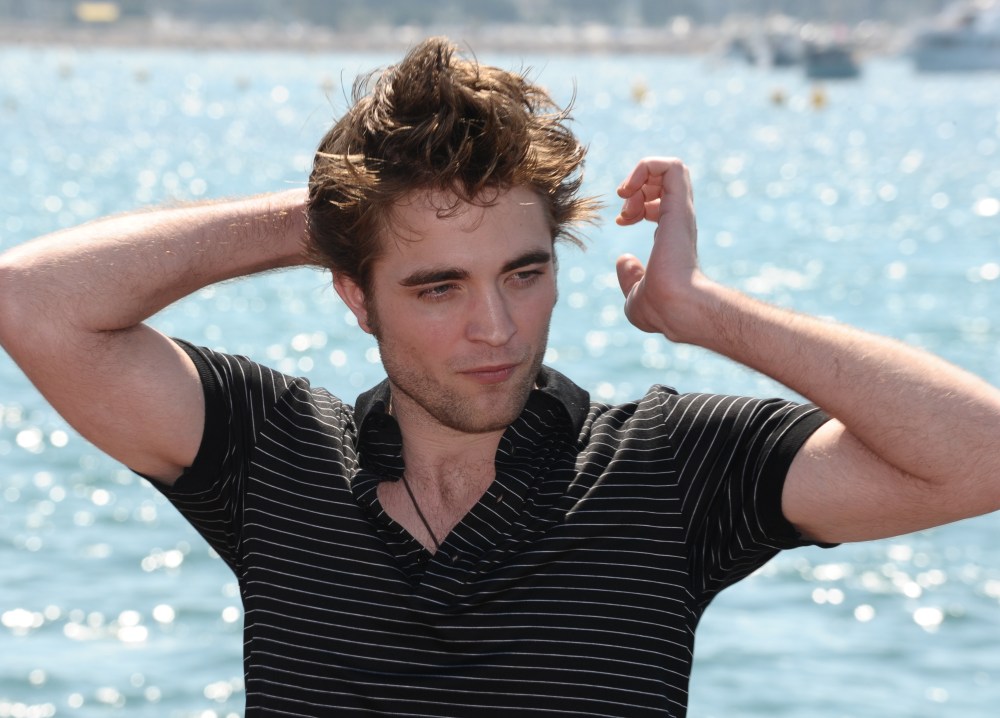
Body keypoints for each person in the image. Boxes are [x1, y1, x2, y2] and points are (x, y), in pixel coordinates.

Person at [0, 36, 997, 718]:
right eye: (437, 286)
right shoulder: (273, 455)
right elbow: (32, 302)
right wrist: (331, 216)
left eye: (524, 272)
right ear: (356, 297)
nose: (497, 327)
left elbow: (977, 455)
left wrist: (704, 314)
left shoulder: (669, 469)